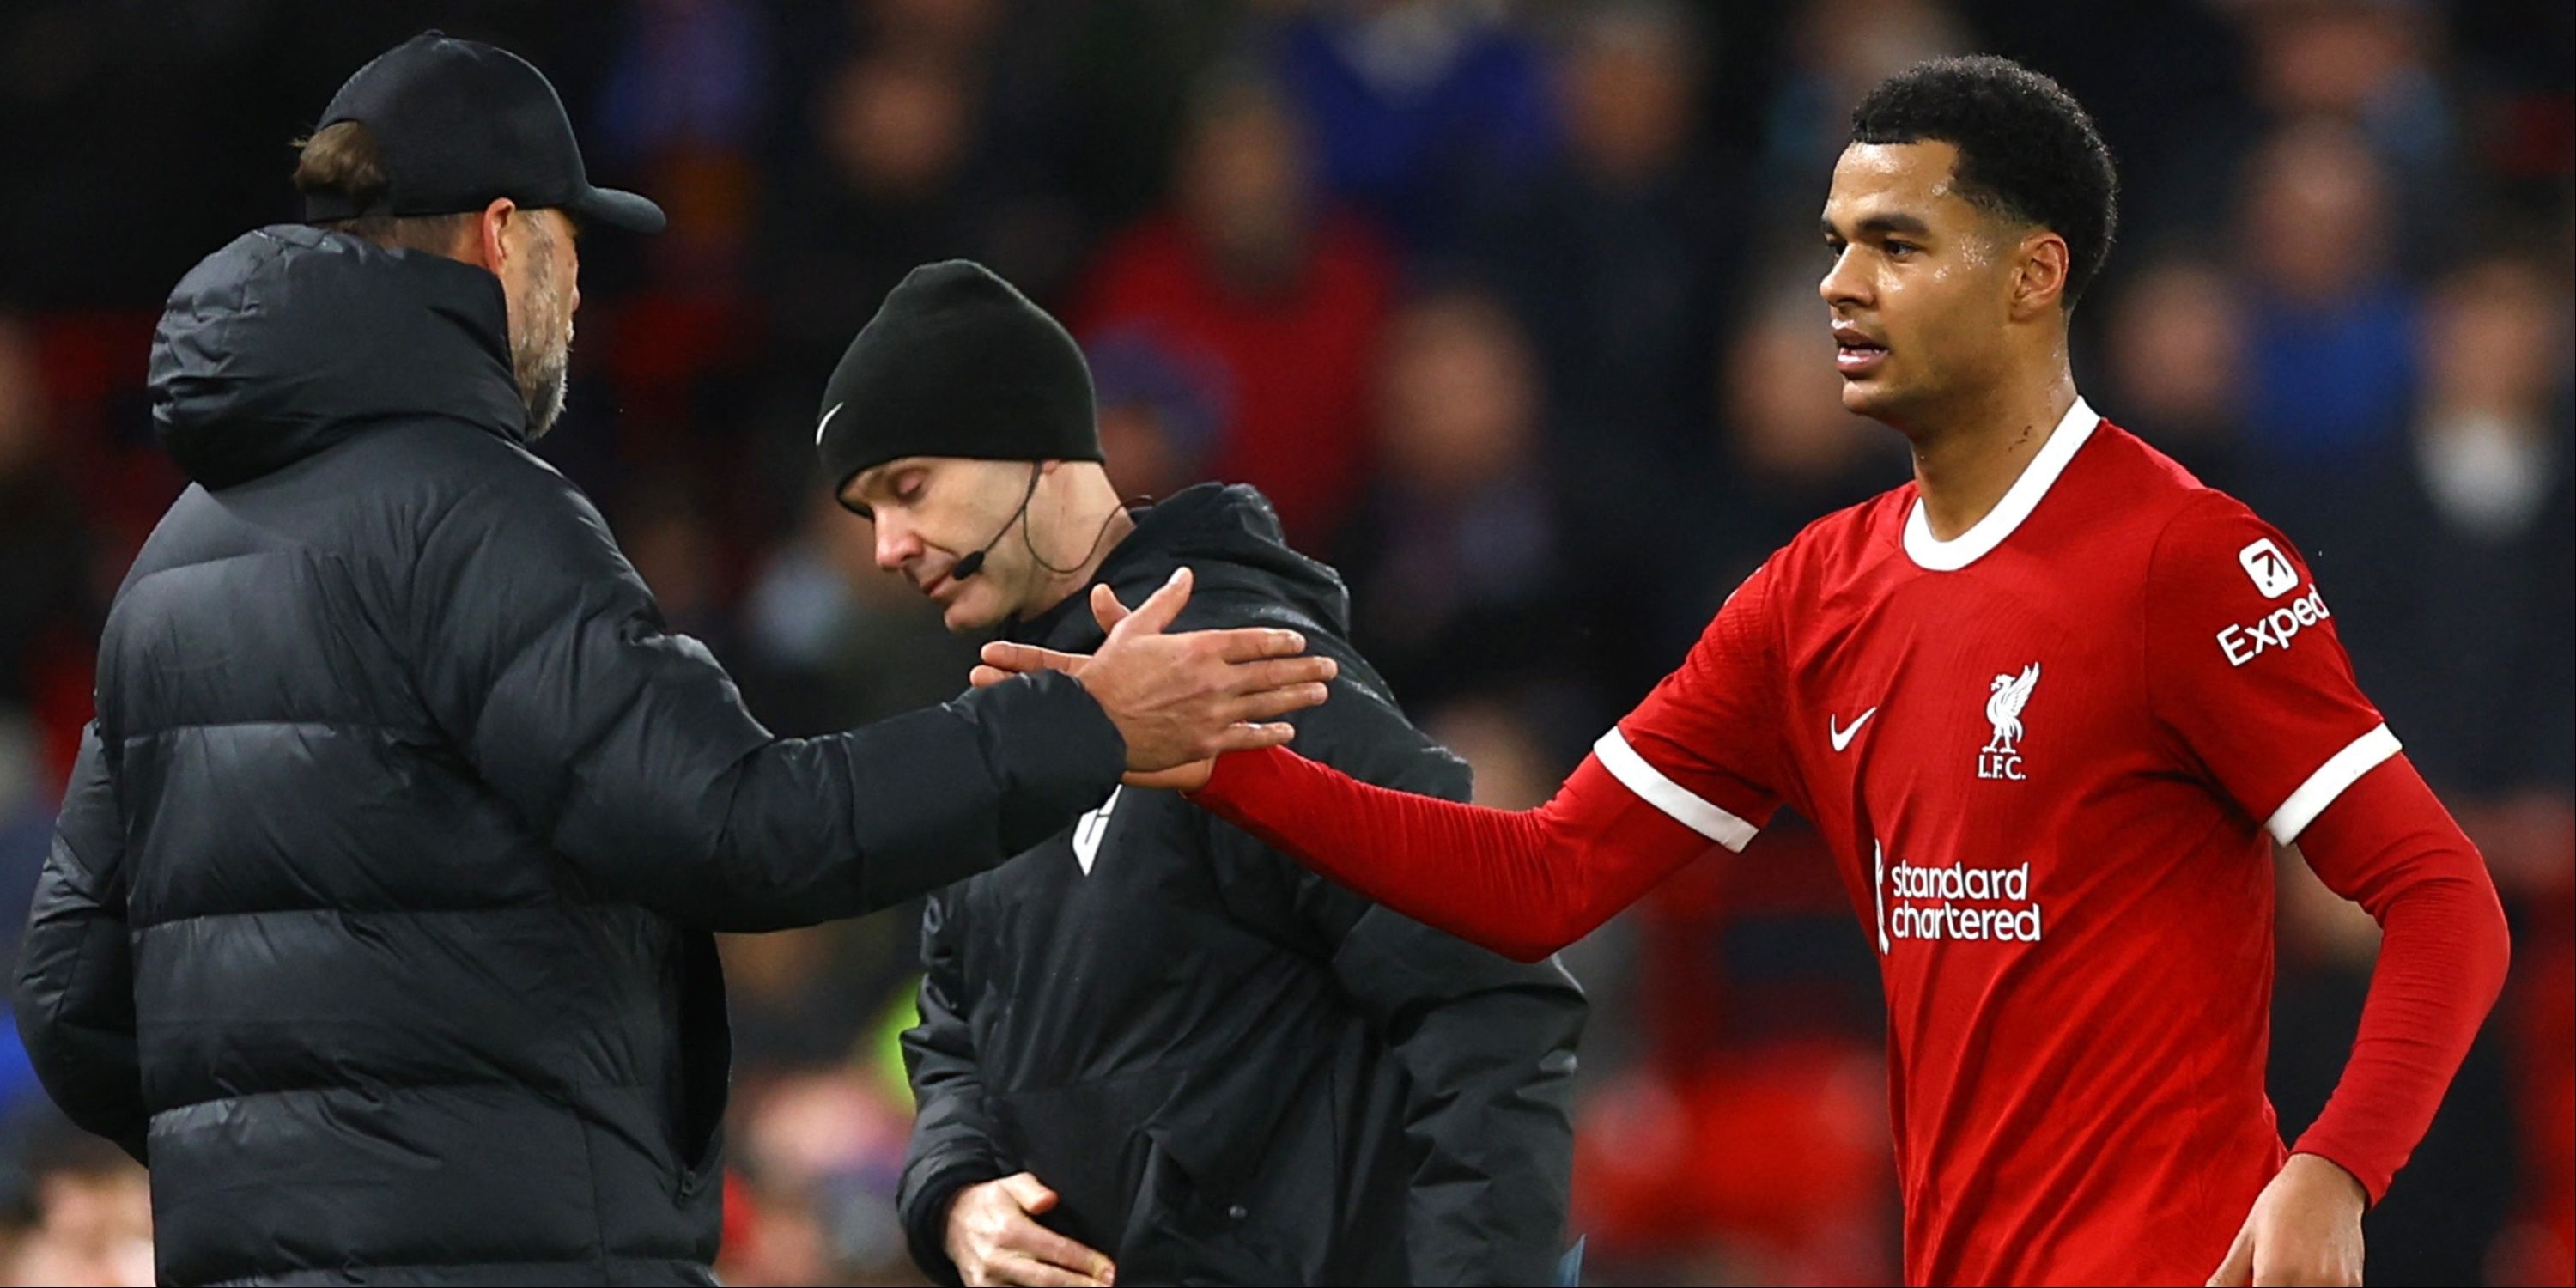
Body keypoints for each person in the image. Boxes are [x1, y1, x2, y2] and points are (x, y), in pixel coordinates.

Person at [978, 56, 2514, 1287]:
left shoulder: (2185, 559)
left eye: (1894, 244)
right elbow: (1548, 876)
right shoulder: (1811, 595)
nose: (1838, 285)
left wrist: (2332, 1170)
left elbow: (2443, 899)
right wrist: (1225, 767)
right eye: (1833, 243)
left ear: (2035, 276)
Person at [9, 33, 1334, 1287]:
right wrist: (1086, 726)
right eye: (575, 246)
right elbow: (736, 826)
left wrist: (287, 1165)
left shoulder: (168, 569)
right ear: (503, 234)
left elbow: (69, 996)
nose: (582, 292)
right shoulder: (479, 516)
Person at [812, 260, 1585, 1287]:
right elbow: (953, 1034)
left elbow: (1492, 994)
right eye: (868, 513)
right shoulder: (1003, 734)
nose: (889, 548)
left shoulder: (1242, 671)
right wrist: (953, 1196)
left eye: (908, 489)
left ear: (1040, 448)